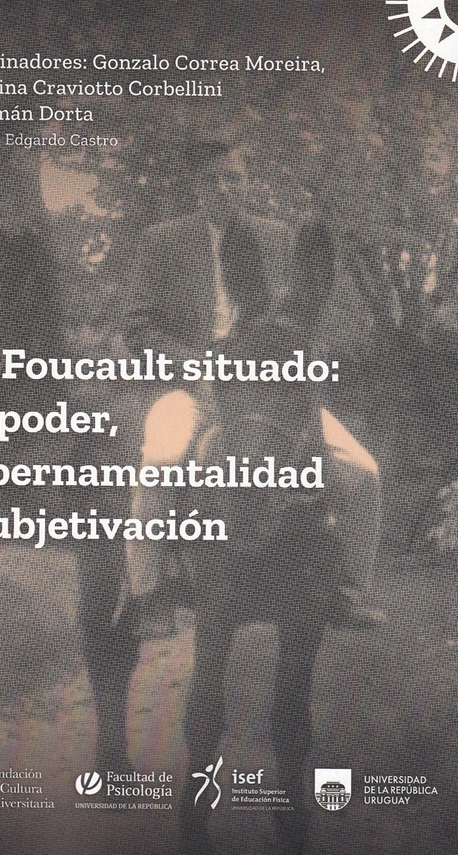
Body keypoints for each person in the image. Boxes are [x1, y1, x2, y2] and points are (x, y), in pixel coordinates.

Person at [118, 138, 383, 629]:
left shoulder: (278, 240)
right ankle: (147, 592)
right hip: (192, 386)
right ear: (198, 187)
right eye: (214, 180)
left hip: (270, 388)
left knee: (362, 471)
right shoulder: (162, 241)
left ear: (247, 184)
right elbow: (138, 329)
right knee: (161, 461)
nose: (226, 188)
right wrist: (193, 366)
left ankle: (348, 588)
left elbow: (307, 317)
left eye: (234, 178)